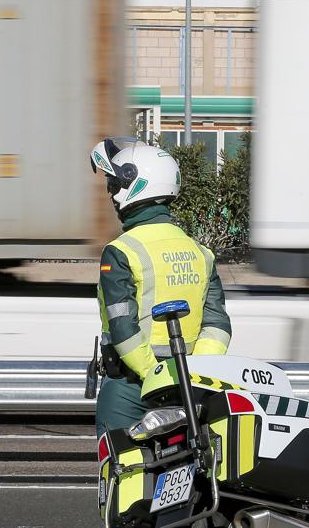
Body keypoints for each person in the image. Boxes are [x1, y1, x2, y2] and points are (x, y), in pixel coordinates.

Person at [89, 137, 231, 438]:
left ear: (134, 185)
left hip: (132, 389)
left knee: (120, 472)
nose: (112, 195)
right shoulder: (200, 252)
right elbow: (217, 325)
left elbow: (122, 327)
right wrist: (194, 374)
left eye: (114, 185)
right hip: (189, 387)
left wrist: (154, 375)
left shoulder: (121, 251)